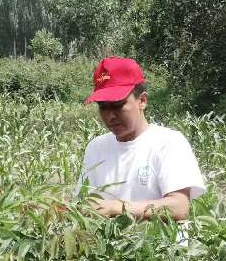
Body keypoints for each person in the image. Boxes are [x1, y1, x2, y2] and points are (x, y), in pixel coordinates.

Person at [78, 56, 205, 220]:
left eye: (118, 105)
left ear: (142, 101)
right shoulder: (96, 147)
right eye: (103, 107)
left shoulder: (169, 143)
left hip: (160, 244)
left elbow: (179, 207)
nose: (110, 116)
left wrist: (117, 208)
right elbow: (84, 202)